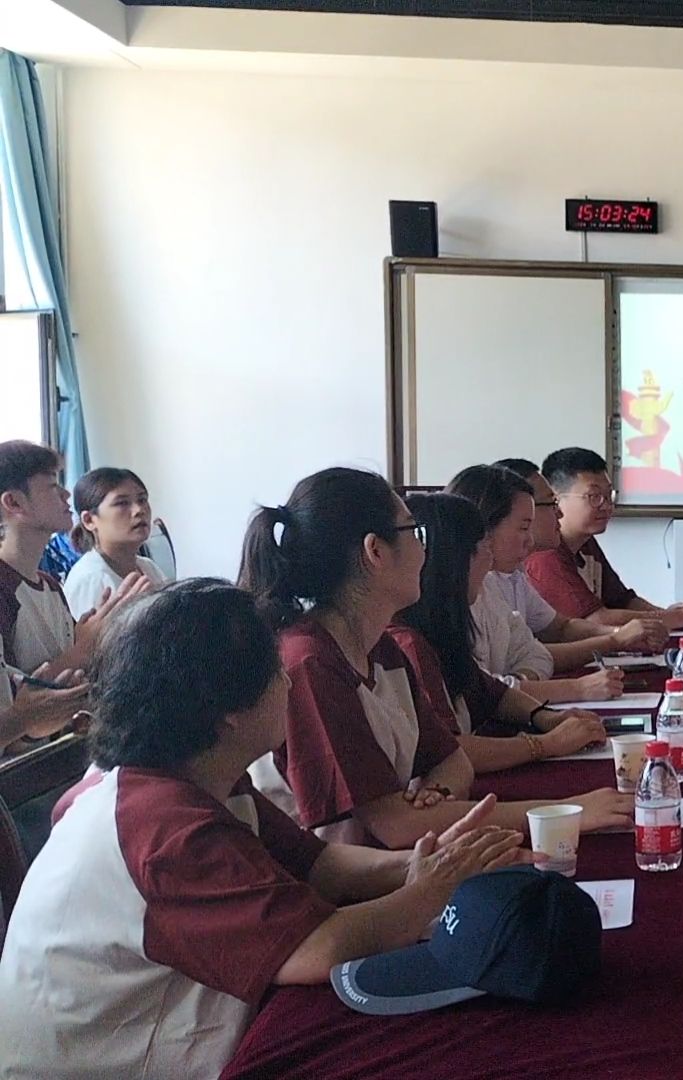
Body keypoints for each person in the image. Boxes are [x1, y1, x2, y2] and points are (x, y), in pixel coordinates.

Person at [0, 580, 530, 1079]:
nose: (289, 682)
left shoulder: (194, 773)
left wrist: (422, 864)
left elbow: (320, 865)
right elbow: (317, 949)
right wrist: (431, 888)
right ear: (227, 711)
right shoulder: (161, 826)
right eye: (276, 672)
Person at [237, 466, 628, 847]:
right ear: (375, 551)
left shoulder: (381, 648)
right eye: (414, 532)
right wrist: (564, 810)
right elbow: (394, 826)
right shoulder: (310, 662)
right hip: (350, 883)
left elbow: (452, 759)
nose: (426, 550)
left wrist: (437, 794)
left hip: (406, 863)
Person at [391, 492, 608, 773]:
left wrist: (544, 716)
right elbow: (451, 750)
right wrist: (546, 744)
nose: (490, 557)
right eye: (483, 546)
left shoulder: (443, 624)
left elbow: (490, 692)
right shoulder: (407, 642)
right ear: (453, 560)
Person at [447, 464, 658, 703]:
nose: (559, 514)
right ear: (483, 530)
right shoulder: (452, 599)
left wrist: (521, 682)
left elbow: (537, 654)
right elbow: (479, 692)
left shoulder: (493, 584)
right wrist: (577, 687)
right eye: (524, 527)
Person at [0, 442, 145, 748]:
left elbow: (62, 702)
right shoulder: (4, 590)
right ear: (13, 502)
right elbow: (16, 715)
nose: (67, 495)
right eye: (53, 486)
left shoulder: (51, 586)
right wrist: (83, 648)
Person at [522, 447, 683, 629]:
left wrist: (671, 616)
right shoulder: (545, 554)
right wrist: (677, 617)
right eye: (594, 496)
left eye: (609, 495)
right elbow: (595, 620)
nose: (606, 505)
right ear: (556, 498)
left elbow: (623, 601)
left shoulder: (586, 542)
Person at [63, 467, 169, 619]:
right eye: (122, 503)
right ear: (89, 520)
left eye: (142, 500)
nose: (139, 510)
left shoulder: (148, 567)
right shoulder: (89, 580)